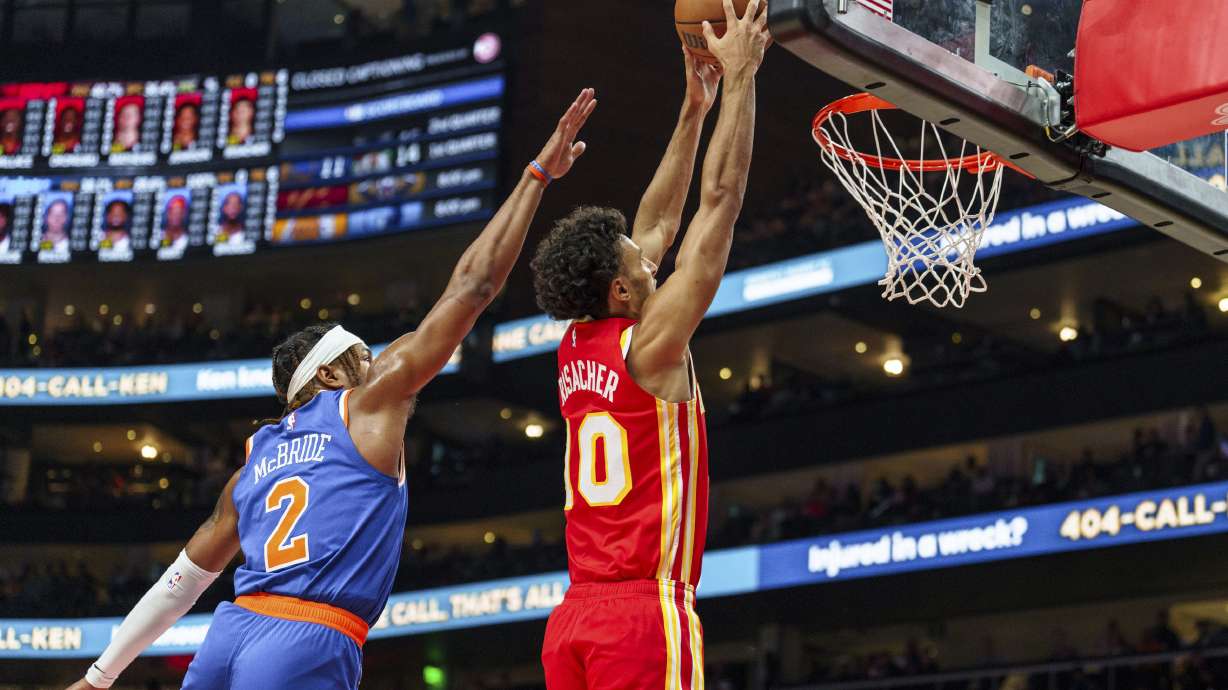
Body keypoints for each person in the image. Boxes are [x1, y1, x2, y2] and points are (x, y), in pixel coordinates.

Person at [65, 87, 596, 690]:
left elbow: (182, 582)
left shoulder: (253, 462)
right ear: (328, 374)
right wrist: (536, 176)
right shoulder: (365, 406)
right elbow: (471, 289)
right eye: (362, 357)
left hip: (229, 635)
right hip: (308, 638)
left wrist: (98, 677)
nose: (377, 363)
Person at [531, 4, 768, 688]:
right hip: (642, 614)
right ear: (622, 294)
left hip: (573, 618)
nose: (651, 258)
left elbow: (660, 219)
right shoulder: (653, 348)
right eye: (640, 264)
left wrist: (696, 106)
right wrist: (744, 76)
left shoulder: (579, 344)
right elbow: (717, 203)